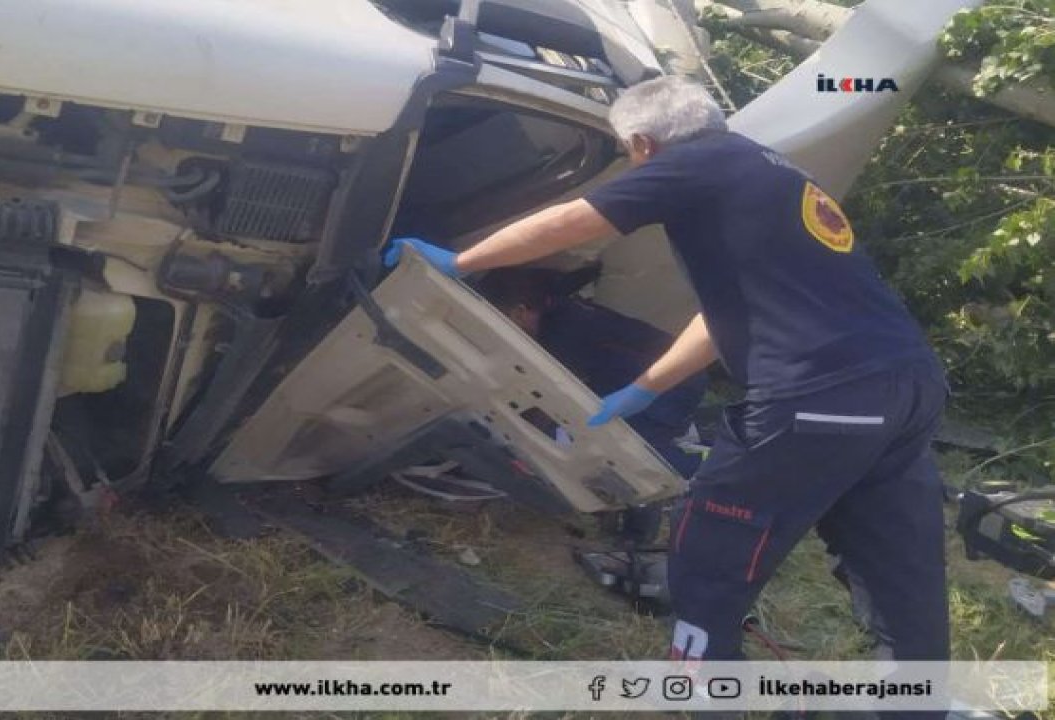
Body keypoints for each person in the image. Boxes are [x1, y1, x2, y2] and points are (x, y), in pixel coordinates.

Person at [383, 75, 950, 665]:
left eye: (630, 154)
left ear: (644, 144)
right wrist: (644, 387)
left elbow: (578, 219)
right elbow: (721, 316)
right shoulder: (767, 172)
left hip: (817, 393)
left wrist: (462, 261)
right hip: (908, 387)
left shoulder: (698, 161)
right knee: (897, 566)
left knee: (711, 550)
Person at [477, 267, 707, 477]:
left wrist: (516, 437)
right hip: (648, 380)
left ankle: (702, 461)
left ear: (520, 312)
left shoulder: (564, 332)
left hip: (671, 389)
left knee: (627, 461)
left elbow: (554, 398)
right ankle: (682, 433)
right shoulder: (559, 313)